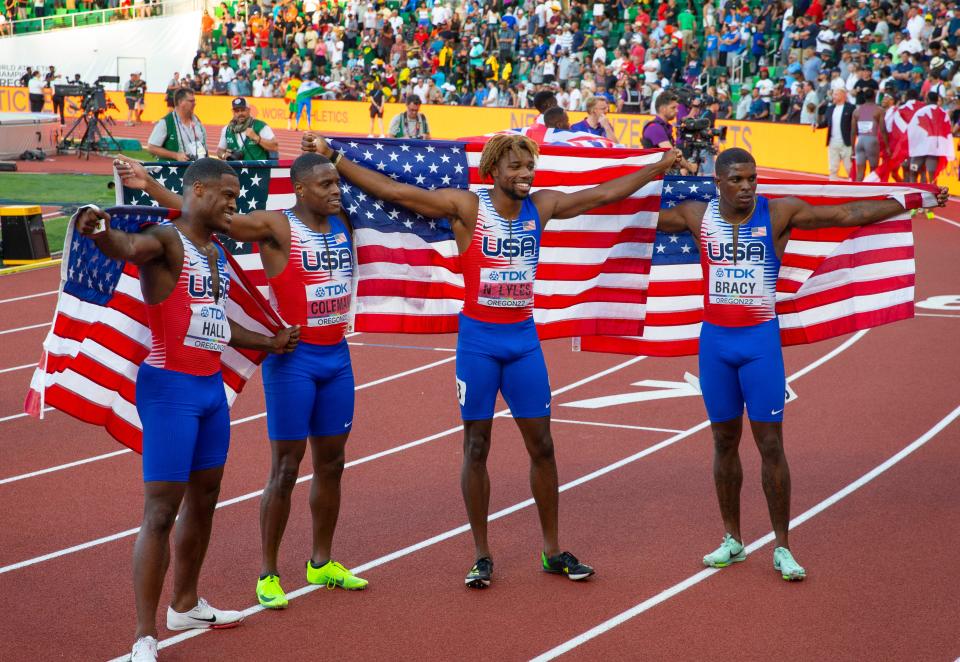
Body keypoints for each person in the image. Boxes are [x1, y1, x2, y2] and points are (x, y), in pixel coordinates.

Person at [302, 131, 679, 588]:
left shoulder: (542, 206)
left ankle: (552, 550)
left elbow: (601, 195)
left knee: (542, 446)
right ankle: (482, 555)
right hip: (478, 342)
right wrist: (336, 158)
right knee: (476, 446)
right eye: (515, 167)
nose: (525, 174)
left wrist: (656, 168)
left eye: (529, 166)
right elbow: (397, 192)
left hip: (523, 341)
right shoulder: (468, 208)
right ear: (494, 172)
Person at [654, 147, 948, 582]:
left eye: (752, 178)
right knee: (723, 442)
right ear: (718, 182)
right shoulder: (695, 215)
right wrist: (649, 170)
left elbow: (847, 214)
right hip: (715, 344)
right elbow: (626, 216)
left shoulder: (777, 214)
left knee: (771, 445)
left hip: (759, 345)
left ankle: (781, 546)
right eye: (736, 179)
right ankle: (732, 539)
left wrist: (912, 199)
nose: (747, 186)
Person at [115, 152, 369, 612]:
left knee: (332, 464)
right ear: (300, 189)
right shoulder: (275, 225)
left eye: (338, 183)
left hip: (337, 357)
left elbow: (398, 198)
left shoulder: (345, 223)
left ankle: (321, 561)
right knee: (286, 468)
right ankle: (269, 572)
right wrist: (152, 187)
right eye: (326, 183)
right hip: (294, 360)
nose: (336, 190)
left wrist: (341, 159)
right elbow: (207, 217)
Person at [76, 158, 300, 662]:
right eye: (227, 196)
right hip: (170, 390)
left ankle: (185, 603)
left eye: (237, 199)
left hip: (208, 391)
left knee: (206, 498)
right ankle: (144, 637)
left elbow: (216, 323)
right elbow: (128, 248)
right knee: (160, 511)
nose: (233, 206)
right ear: (199, 192)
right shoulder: (166, 240)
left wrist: (269, 340)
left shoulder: (212, 250)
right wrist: (100, 232)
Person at [642, 92, 699, 174]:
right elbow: (672, 154)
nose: (677, 111)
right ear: (663, 109)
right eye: (673, 108)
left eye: (677, 107)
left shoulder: (663, 126)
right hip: (654, 178)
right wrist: (690, 167)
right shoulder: (655, 127)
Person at [147, 88, 208, 162]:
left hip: (197, 169)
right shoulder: (166, 122)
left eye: (194, 101)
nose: (194, 103)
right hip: (176, 170)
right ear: (180, 102)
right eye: (191, 101)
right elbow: (151, 148)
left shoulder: (197, 121)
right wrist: (175, 155)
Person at [817, 88, 855, 180]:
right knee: (833, 168)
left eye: (836, 94)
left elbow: (855, 125)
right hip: (833, 142)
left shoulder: (851, 108)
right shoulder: (830, 108)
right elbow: (825, 123)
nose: (834, 96)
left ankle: (854, 187)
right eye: (834, 94)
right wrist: (817, 125)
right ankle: (832, 187)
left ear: (843, 95)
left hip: (846, 143)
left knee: (849, 167)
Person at [852, 90, 882, 181]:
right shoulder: (878, 110)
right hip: (872, 140)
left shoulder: (857, 111)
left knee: (860, 172)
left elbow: (853, 131)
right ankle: (871, 192)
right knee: (873, 171)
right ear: (874, 97)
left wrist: (853, 148)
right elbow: (883, 129)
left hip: (860, 140)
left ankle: (857, 193)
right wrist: (887, 146)